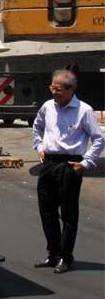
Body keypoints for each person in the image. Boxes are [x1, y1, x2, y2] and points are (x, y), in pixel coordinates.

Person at [33, 70, 104, 274]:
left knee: (68, 214)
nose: (54, 93)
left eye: (58, 89)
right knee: (46, 211)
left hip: (70, 164)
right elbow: (37, 128)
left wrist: (86, 163)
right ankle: (52, 253)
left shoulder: (84, 110)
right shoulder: (47, 107)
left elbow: (99, 139)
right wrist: (39, 148)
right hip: (49, 163)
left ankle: (65, 256)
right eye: (52, 88)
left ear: (71, 89)